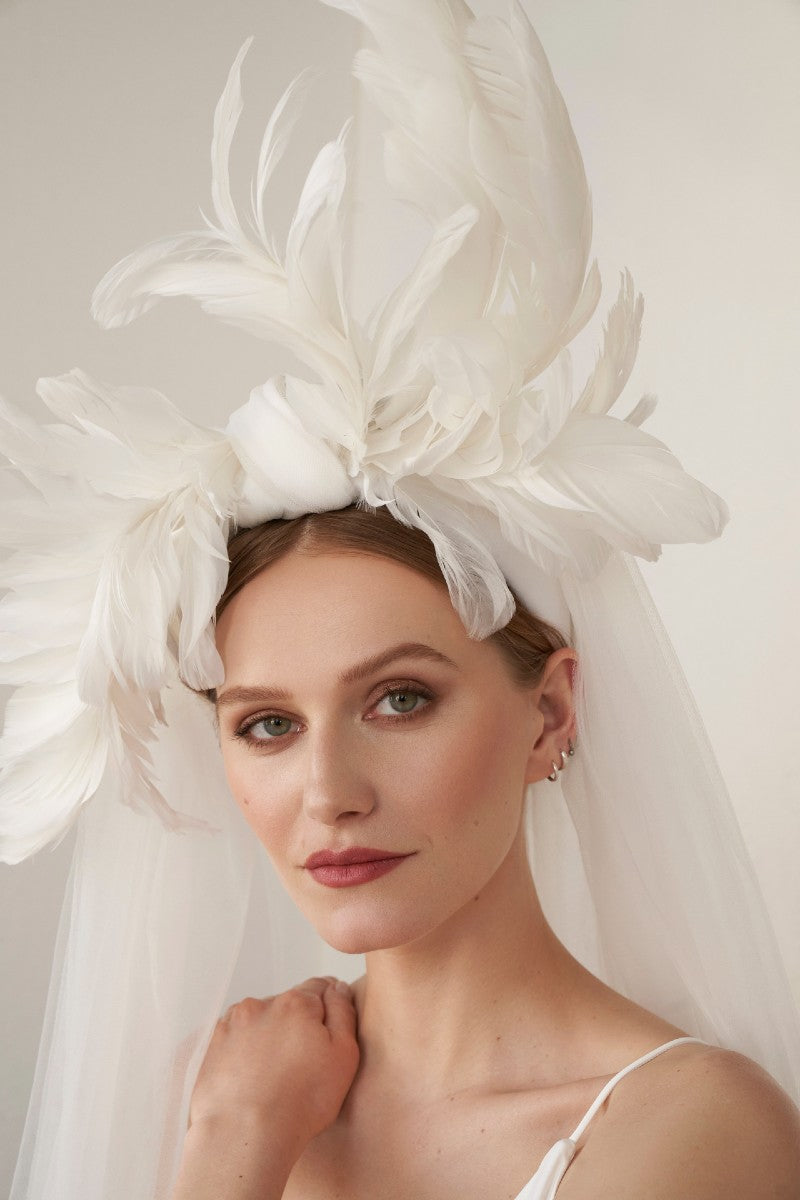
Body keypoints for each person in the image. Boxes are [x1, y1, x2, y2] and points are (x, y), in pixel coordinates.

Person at [2, 2, 800, 1198]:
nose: (326, 792)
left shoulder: (688, 1130)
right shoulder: (207, 1092)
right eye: (265, 722)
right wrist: (234, 1137)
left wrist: (229, 1170)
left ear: (547, 716)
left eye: (399, 699)